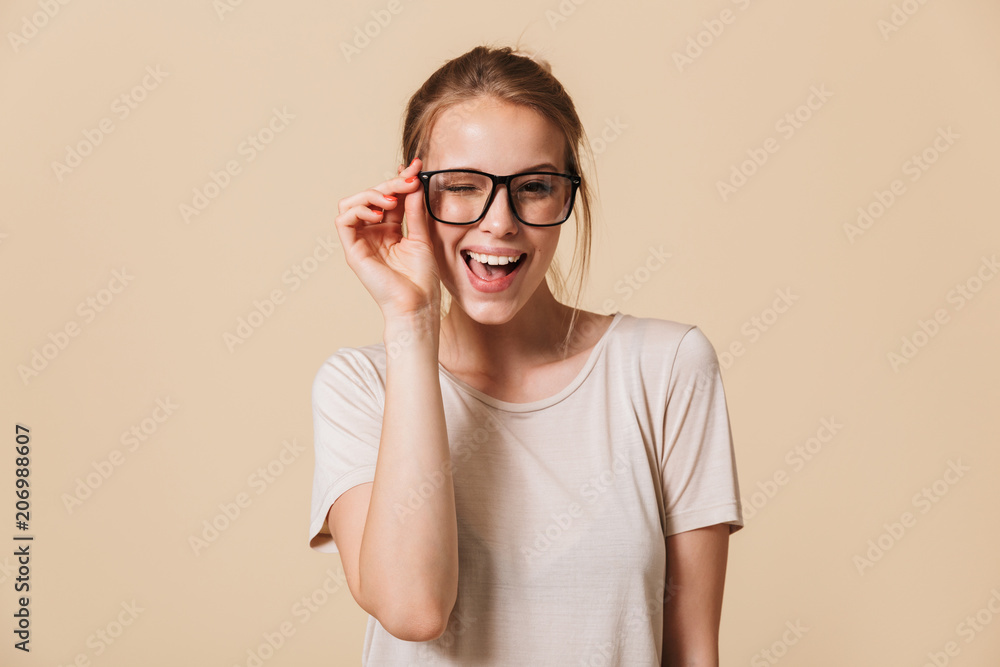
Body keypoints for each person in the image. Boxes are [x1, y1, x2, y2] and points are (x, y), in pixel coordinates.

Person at [308, 44, 744, 666]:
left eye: (534, 187)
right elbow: (413, 609)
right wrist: (410, 320)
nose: (500, 223)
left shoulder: (667, 369)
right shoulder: (361, 385)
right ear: (411, 194)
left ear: (568, 195)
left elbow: (693, 652)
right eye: (462, 187)